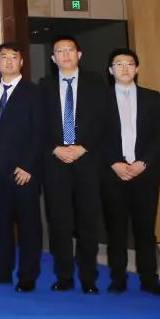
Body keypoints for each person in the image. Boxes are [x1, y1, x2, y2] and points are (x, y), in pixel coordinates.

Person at [42, 35, 108, 294]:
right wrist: (55, 148)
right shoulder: (44, 85)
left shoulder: (96, 82)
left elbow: (104, 119)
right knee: (59, 223)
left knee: (88, 222)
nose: (65, 54)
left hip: (87, 160)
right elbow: (38, 123)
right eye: (59, 51)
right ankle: (64, 276)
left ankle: (89, 278)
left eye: (69, 50)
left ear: (79, 54)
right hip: (56, 163)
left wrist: (82, 147)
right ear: (53, 58)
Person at [102, 48, 160, 297]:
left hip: (146, 173)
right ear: (111, 70)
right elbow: (96, 135)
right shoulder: (100, 99)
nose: (124, 68)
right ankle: (118, 279)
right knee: (116, 229)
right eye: (118, 64)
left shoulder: (152, 97)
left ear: (137, 68)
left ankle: (149, 280)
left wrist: (144, 162)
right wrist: (115, 163)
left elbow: (159, 134)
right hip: (113, 173)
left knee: (146, 229)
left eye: (129, 63)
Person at [0, 42, 45, 292]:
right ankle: (1, 271)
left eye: (13, 57)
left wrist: (29, 165)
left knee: (29, 226)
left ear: (21, 62)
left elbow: (41, 132)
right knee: (0, 225)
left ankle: (28, 276)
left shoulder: (35, 92)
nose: (8, 61)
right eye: (3, 57)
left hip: (24, 172)